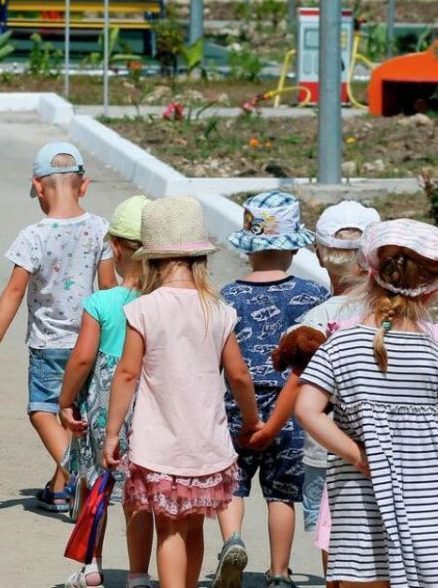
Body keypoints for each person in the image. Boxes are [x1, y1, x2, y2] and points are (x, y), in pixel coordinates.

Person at [295, 218, 438, 588]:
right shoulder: (433, 356)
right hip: (429, 511)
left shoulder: (341, 346)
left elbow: (306, 410)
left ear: (369, 274)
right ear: (432, 290)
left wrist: (355, 454)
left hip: (360, 510)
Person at [103, 196, 262, 588]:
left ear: (150, 259)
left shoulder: (145, 309)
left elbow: (126, 374)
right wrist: (253, 419)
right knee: (193, 530)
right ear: (199, 259)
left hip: (160, 445)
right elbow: (239, 375)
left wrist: (111, 433)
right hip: (206, 442)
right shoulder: (217, 310)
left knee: (169, 531)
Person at [0, 142, 116, 513]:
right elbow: (109, 290)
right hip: (91, 341)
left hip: (49, 342)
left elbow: (14, 291)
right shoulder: (101, 230)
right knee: (75, 414)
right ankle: (59, 488)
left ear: (38, 187)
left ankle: (80, 476)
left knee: (42, 410)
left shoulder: (33, 235)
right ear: (84, 186)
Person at [258, 200, 380, 588]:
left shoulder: (315, 321)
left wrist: (267, 429)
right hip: (385, 444)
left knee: (335, 534)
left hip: (325, 448)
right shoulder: (395, 315)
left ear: (318, 253)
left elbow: (295, 382)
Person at [213, 192, 328, 588]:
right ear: (296, 245)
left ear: (248, 249)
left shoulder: (227, 296)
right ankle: (279, 571)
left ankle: (232, 541)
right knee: (282, 495)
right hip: (295, 407)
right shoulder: (314, 296)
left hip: (237, 404)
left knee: (232, 483)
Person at [58, 194, 155, 588]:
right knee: (138, 491)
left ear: (115, 246)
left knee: (95, 478)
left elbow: (83, 359)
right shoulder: (157, 302)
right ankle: (137, 574)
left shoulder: (101, 302)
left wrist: (65, 401)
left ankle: (92, 564)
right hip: (145, 397)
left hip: (102, 400)